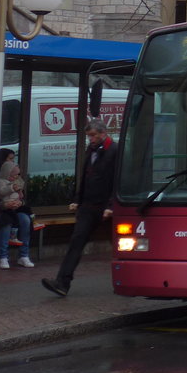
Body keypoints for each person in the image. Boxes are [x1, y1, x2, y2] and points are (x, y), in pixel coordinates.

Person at [41, 119, 116, 297]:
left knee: (120, 245)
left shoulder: (115, 150)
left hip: (106, 207)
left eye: (93, 135)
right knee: (76, 242)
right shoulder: (91, 150)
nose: (91, 139)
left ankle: (132, 279)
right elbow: (85, 177)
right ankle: (62, 283)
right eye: (89, 136)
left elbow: (117, 180)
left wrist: (111, 205)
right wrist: (77, 199)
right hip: (88, 206)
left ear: (103, 133)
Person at [0, 156, 34, 269]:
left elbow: (23, 198)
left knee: (26, 220)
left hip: (16, 208)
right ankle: (3, 256)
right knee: (6, 223)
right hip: (3, 211)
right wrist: (12, 188)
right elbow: (1, 193)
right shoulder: (0, 182)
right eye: (13, 175)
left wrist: (20, 201)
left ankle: (24, 255)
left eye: (17, 175)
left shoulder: (18, 181)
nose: (16, 177)